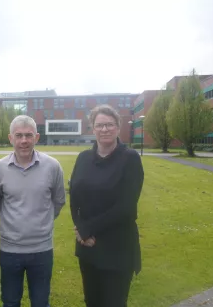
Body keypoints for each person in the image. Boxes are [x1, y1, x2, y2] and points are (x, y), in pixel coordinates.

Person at [70, 104, 144, 307]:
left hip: (116, 247)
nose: (104, 129)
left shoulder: (130, 159)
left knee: (114, 302)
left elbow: (126, 206)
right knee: (92, 301)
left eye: (109, 125)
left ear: (118, 127)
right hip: (88, 248)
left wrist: (88, 230)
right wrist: (82, 231)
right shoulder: (83, 158)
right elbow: (74, 198)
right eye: (99, 125)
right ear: (92, 128)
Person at [0, 115, 66, 307]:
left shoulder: (52, 166)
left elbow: (58, 201)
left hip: (42, 250)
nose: (24, 140)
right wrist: (13, 222)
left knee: (40, 302)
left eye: (28, 135)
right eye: (19, 135)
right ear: (10, 138)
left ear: (36, 137)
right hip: (10, 250)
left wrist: (41, 222)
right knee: (10, 301)